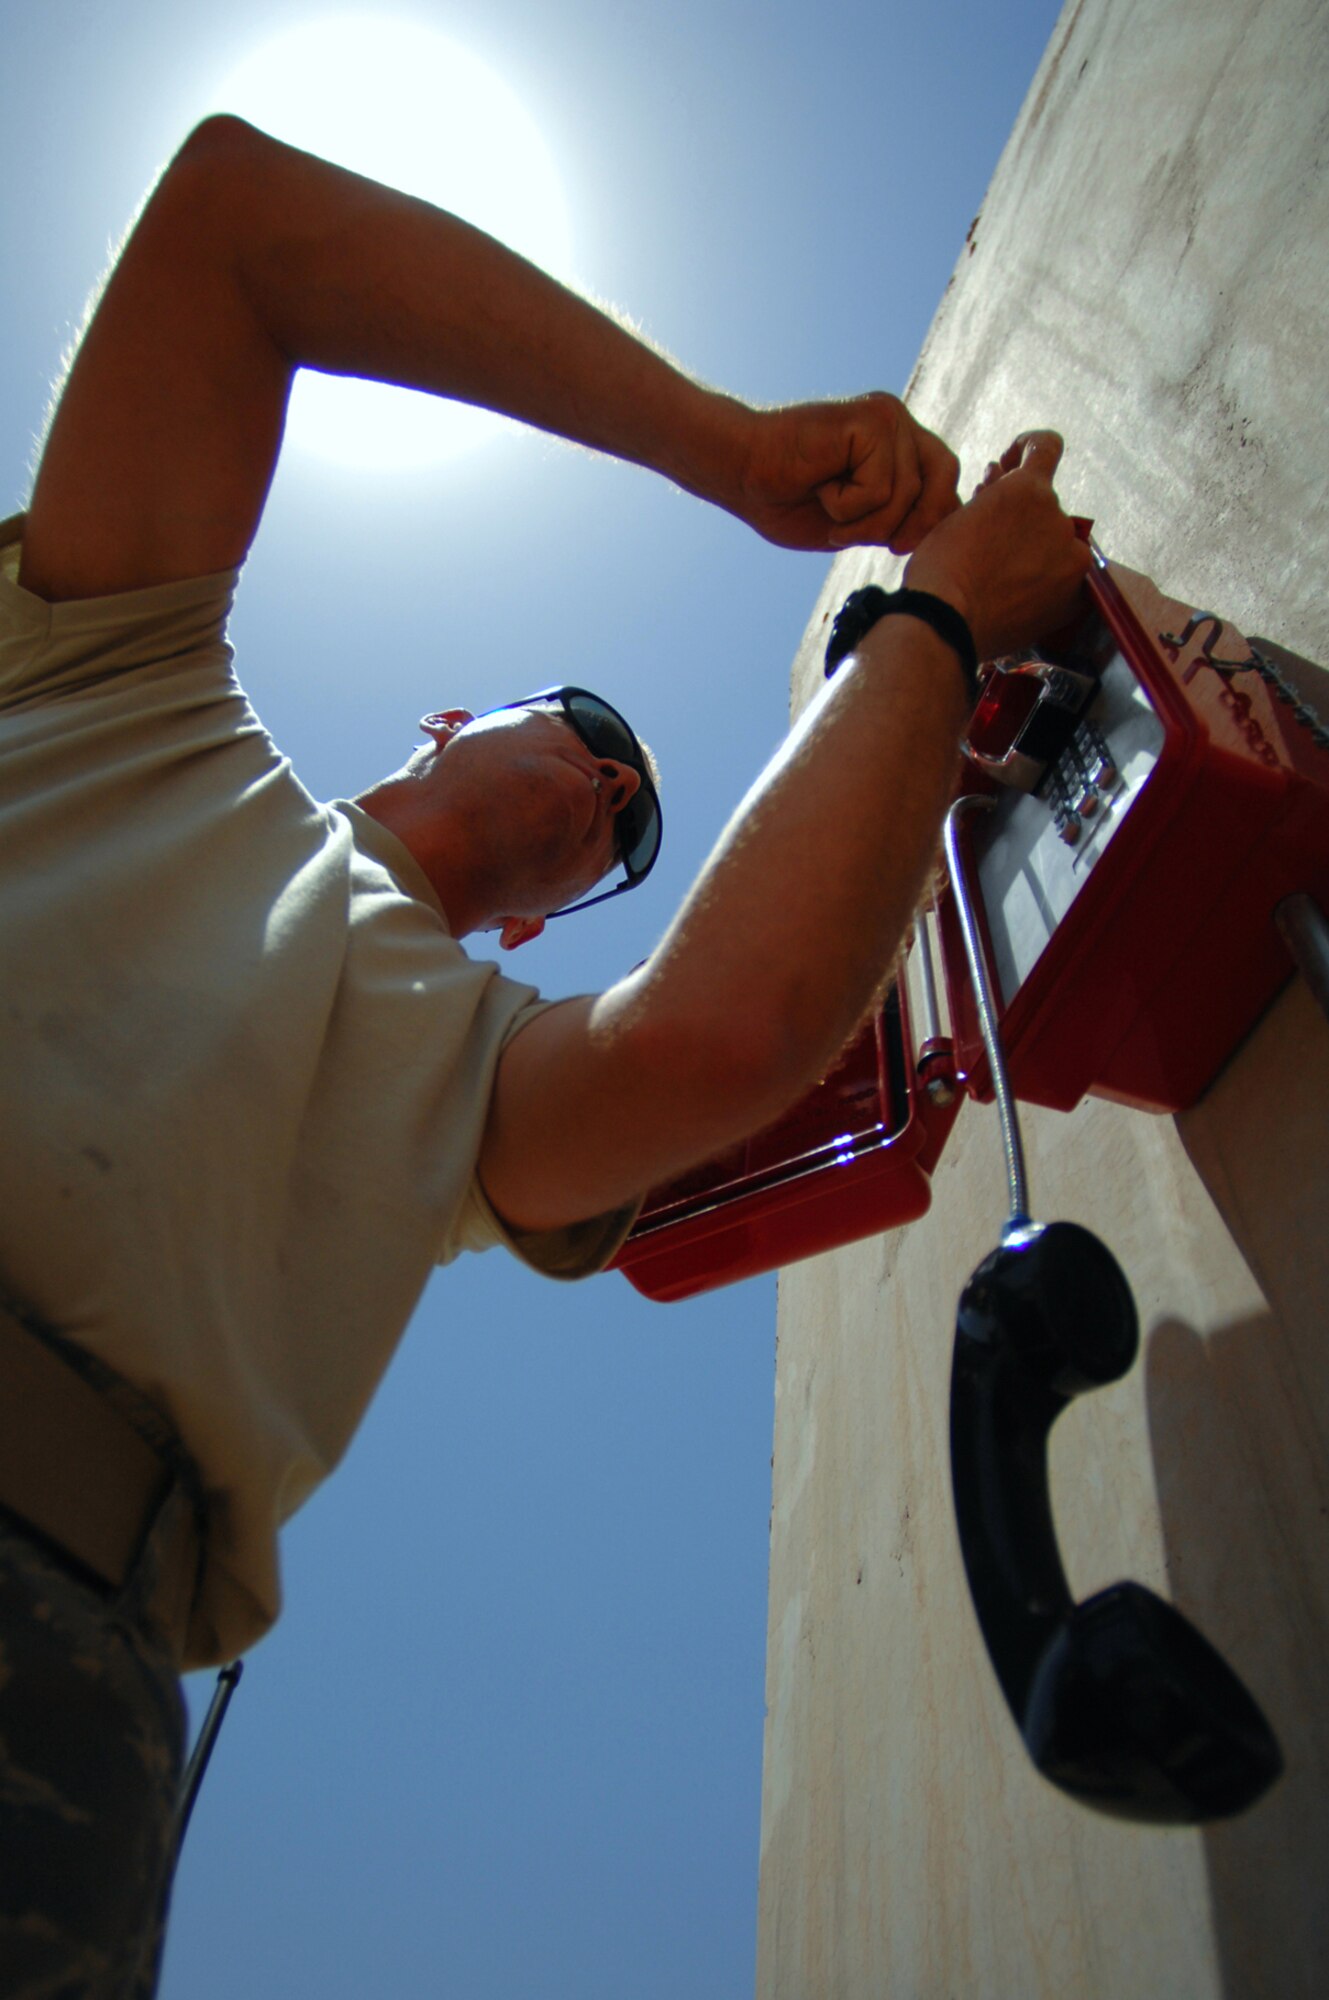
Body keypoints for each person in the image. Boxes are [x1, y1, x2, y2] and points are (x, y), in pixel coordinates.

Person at [0, 115, 1090, 1996]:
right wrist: (731, 450)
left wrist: (929, 643)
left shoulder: (460, 1095)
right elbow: (237, 225)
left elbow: (729, 1028)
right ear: (447, 708)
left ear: (533, 930)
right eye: (583, 729)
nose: (605, 784)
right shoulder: (112, 682)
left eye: (631, 829)